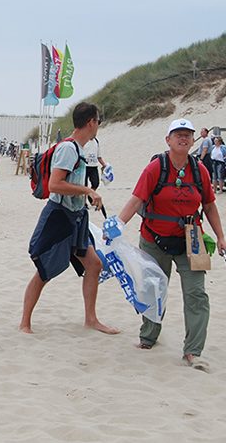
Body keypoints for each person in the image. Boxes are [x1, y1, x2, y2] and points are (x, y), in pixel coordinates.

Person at [113, 118, 225, 372]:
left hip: (192, 238)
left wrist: (220, 236)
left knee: (196, 293)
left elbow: (209, 205)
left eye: (187, 134)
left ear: (193, 139)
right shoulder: (155, 168)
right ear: (168, 140)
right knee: (154, 289)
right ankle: (148, 337)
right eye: (178, 134)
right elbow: (136, 200)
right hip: (154, 238)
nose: (183, 138)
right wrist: (118, 224)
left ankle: (193, 351)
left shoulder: (200, 171)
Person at [20, 102, 118, 335]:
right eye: (98, 122)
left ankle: (91, 319)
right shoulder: (68, 149)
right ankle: (25, 323)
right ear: (91, 122)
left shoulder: (80, 148)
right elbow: (55, 184)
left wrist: (87, 197)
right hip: (59, 216)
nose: (98, 126)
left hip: (76, 216)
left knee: (94, 265)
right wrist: (88, 191)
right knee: (45, 271)